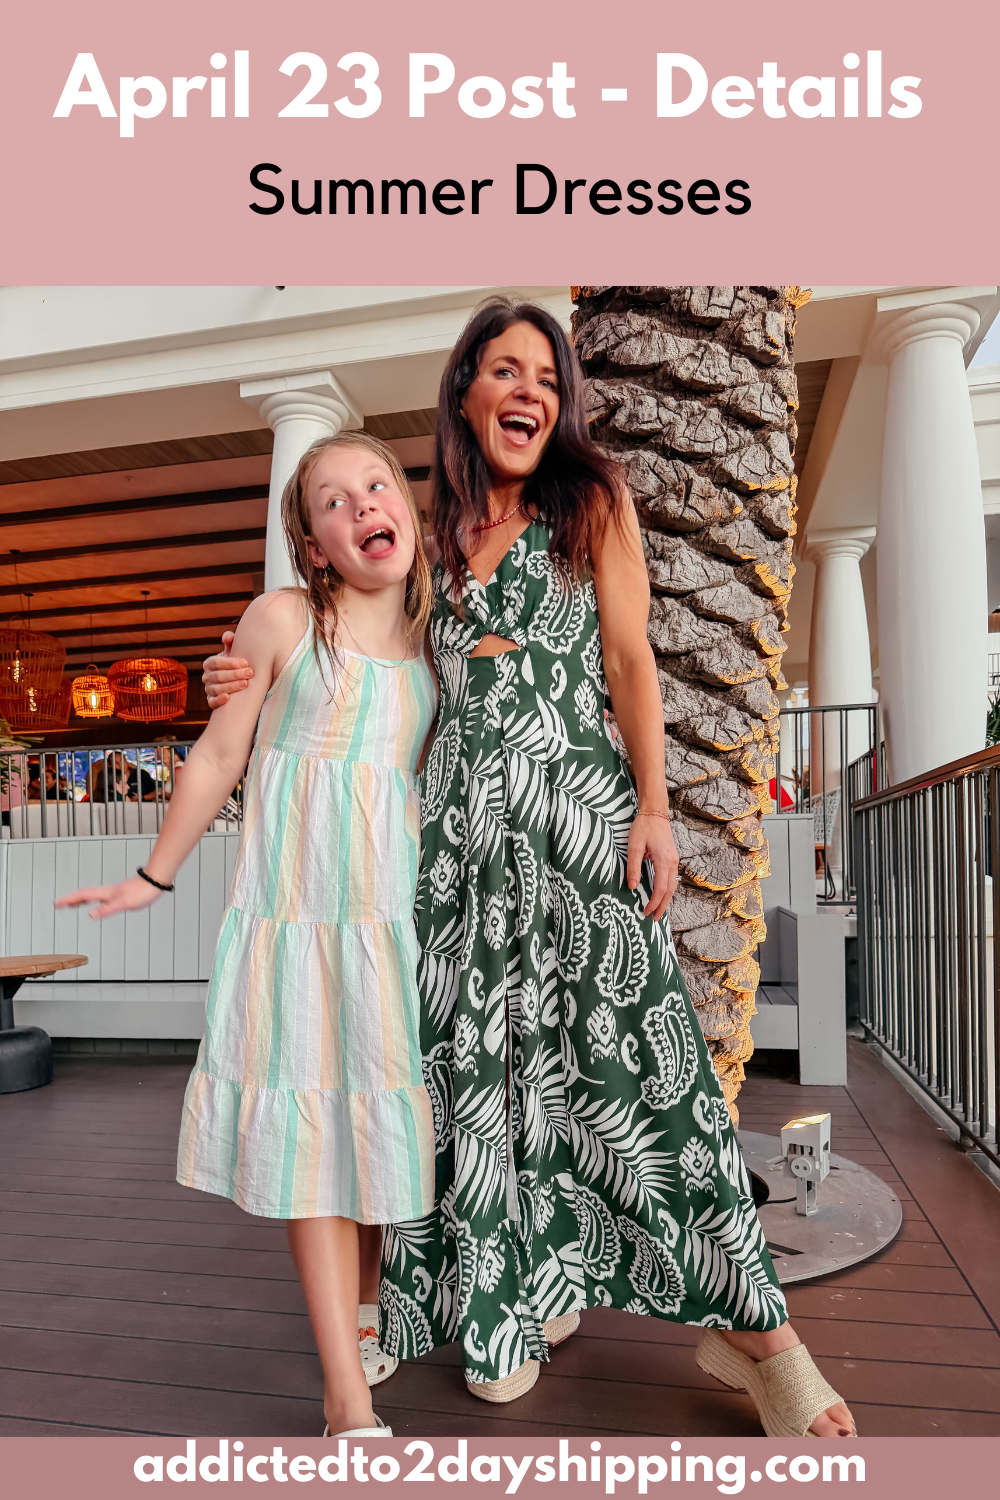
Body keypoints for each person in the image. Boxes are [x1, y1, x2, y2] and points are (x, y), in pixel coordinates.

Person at [203, 300, 855, 1439]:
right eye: (505, 371)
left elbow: (630, 659)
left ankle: (757, 1336)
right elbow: (339, 636)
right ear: (464, 392)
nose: (530, 392)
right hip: (451, 849)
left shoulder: (590, 503)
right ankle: (484, 1305)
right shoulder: (429, 537)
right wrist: (236, 672)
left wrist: (653, 810)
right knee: (459, 1076)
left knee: (641, 1072)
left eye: (547, 379)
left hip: (575, 822)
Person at [56, 432, 439, 1439]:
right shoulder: (283, 619)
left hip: (396, 919)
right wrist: (154, 874)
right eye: (331, 502)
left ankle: (366, 1312)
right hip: (300, 914)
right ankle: (344, 1397)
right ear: (312, 547)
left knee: (377, 1124)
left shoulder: (439, 633)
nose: (360, 506)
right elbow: (221, 753)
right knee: (317, 1138)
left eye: (375, 485)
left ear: (405, 509)